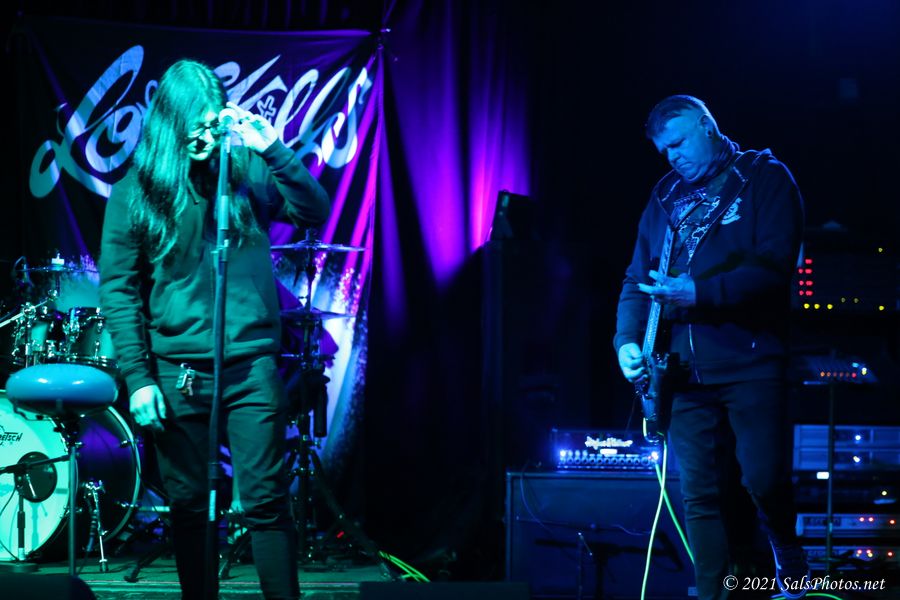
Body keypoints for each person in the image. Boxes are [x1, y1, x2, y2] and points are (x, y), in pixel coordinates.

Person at [99, 59, 330, 600]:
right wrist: (139, 379)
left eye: (212, 123)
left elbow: (313, 210)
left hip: (250, 369)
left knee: (266, 502)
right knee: (188, 506)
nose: (205, 136)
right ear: (171, 123)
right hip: (177, 374)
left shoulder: (247, 171)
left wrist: (273, 148)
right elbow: (119, 289)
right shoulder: (136, 192)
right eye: (195, 125)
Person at [614, 95, 808, 600]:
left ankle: (787, 554)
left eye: (679, 142)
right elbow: (636, 278)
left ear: (707, 125)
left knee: (763, 479)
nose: (672, 156)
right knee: (698, 494)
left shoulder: (765, 178)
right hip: (682, 371)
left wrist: (700, 293)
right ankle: (713, 593)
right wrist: (627, 341)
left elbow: (774, 266)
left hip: (751, 361)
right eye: (664, 150)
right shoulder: (664, 195)